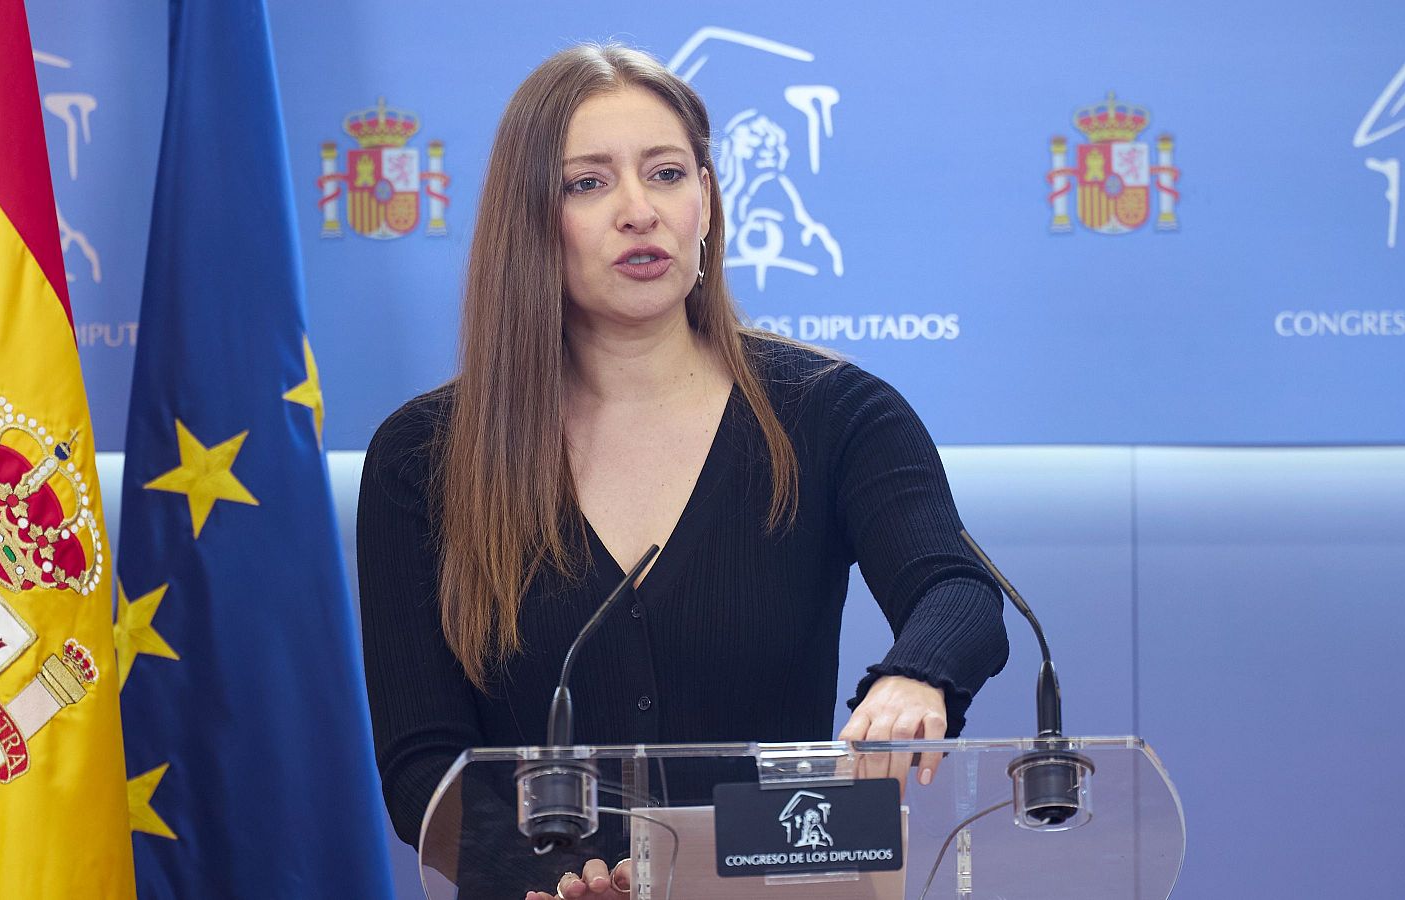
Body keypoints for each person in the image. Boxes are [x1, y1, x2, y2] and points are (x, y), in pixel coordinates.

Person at [356, 43, 1008, 899]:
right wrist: (563, 881)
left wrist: (914, 673)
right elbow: (422, 772)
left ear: (706, 200)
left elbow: (958, 591)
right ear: (528, 220)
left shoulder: (832, 414)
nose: (638, 210)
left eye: (666, 173)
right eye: (587, 183)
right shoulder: (424, 457)